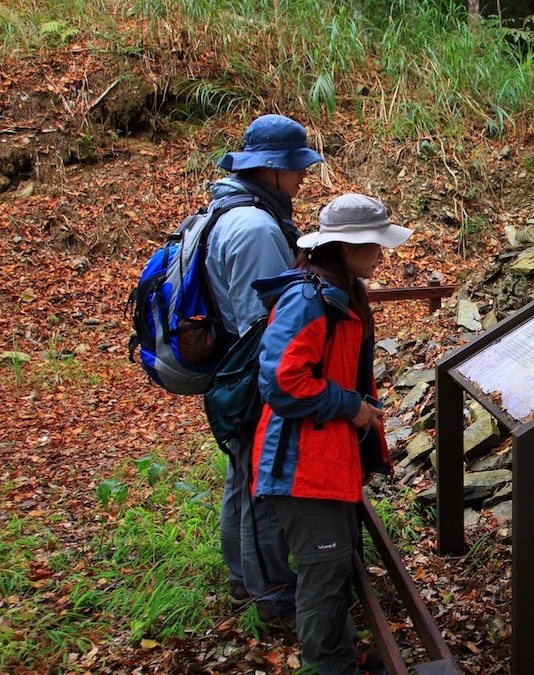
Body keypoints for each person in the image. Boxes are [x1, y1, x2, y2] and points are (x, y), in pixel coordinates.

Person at [251, 193, 411, 673]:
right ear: (345, 247)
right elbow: (281, 381)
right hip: (301, 462)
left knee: (338, 562)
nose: (382, 254)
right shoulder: (309, 299)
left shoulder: (342, 292)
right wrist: (351, 407)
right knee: (324, 569)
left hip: (326, 455)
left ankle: (340, 655)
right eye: (374, 245)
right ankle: (329, 667)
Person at [204, 113, 324, 626]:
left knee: (244, 479)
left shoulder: (231, 209)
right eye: (296, 169)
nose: (302, 178)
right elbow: (267, 323)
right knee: (262, 485)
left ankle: (243, 579)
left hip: (236, 366)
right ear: (271, 169)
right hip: (254, 374)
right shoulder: (253, 226)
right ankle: (272, 598)